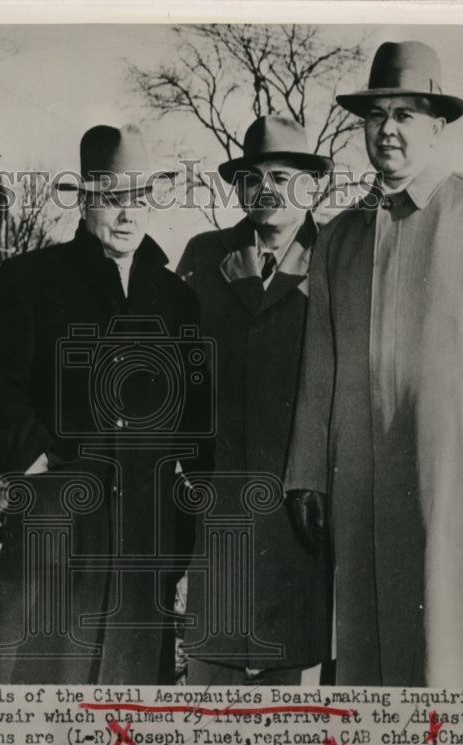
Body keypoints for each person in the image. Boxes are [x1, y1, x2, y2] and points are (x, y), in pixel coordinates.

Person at [284, 41, 463, 687]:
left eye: (407, 114)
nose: (388, 130)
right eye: (377, 115)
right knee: (375, 661)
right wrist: (307, 474)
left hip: (461, 476)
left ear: (438, 125)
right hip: (361, 482)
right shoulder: (340, 236)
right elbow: (318, 365)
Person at [0, 124, 210, 684]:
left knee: (125, 715)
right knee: (44, 699)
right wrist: (40, 469)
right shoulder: (31, 279)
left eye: (140, 198)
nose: (127, 214)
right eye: (112, 197)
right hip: (56, 534)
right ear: (85, 200)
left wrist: (178, 525)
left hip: (141, 544)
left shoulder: (176, 300)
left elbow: (195, 423)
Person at [177, 115, 332, 686]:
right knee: (212, 701)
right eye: (253, 177)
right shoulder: (203, 255)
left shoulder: (338, 256)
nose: (266, 189)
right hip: (219, 511)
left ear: (312, 186)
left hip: (306, 514)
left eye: (284, 175)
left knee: (295, 700)